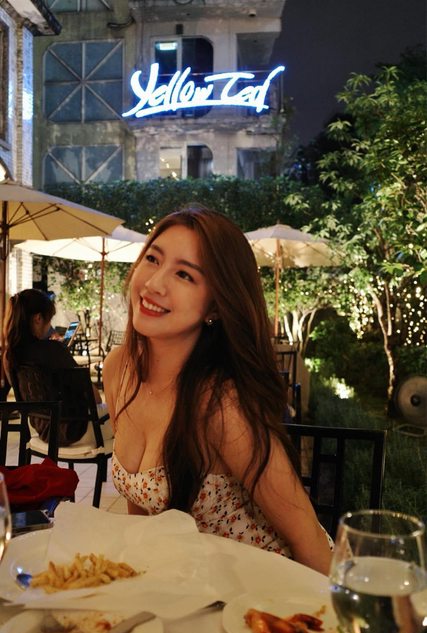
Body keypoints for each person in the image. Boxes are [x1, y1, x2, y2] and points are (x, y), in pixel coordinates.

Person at [103, 205, 333, 575]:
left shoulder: (221, 405)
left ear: (215, 305)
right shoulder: (119, 369)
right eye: (153, 258)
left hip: (266, 590)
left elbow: (308, 538)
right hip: (186, 587)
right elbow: (142, 508)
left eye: (184, 274)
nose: (154, 283)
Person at [3, 288, 110, 446]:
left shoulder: (10, 355)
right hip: (74, 432)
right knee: (120, 414)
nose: (50, 326)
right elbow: (96, 398)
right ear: (38, 318)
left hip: (41, 430)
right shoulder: (53, 350)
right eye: (49, 320)